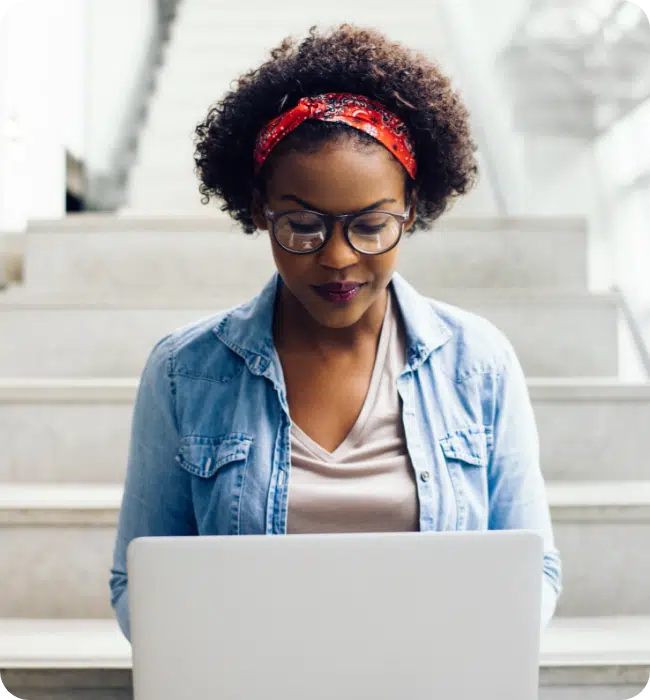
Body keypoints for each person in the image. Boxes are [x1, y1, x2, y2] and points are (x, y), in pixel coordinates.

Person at [109, 23, 562, 642]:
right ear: (260, 210)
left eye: (372, 225)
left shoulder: (478, 363)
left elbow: (534, 568)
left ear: (412, 208)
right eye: (302, 224)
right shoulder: (185, 371)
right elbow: (139, 582)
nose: (339, 258)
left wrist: (469, 654)